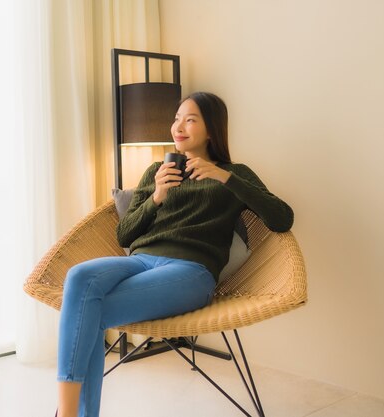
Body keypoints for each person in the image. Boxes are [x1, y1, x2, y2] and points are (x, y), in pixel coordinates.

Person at [55, 92, 294, 417]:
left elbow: (281, 218)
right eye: (177, 119)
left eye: (190, 119)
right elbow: (124, 234)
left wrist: (225, 178)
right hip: (139, 262)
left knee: (89, 314)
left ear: (212, 130)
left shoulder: (234, 174)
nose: (178, 126)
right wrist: (157, 196)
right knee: (79, 277)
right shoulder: (157, 170)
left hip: (190, 272)